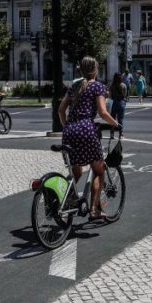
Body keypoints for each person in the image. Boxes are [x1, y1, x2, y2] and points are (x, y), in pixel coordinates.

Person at [58, 56, 120, 221]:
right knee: (99, 171)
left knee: (75, 171)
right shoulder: (98, 87)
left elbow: (60, 110)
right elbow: (103, 112)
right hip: (86, 130)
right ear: (95, 70)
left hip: (69, 131)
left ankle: (64, 200)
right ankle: (94, 210)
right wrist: (116, 124)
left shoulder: (74, 86)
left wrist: (67, 127)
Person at [108, 72, 127, 139]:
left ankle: (112, 134)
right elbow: (125, 96)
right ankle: (121, 134)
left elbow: (109, 96)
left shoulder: (112, 85)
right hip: (121, 102)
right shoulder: (123, 85)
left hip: (114, 102)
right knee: (120, 119)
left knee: (112, 119)